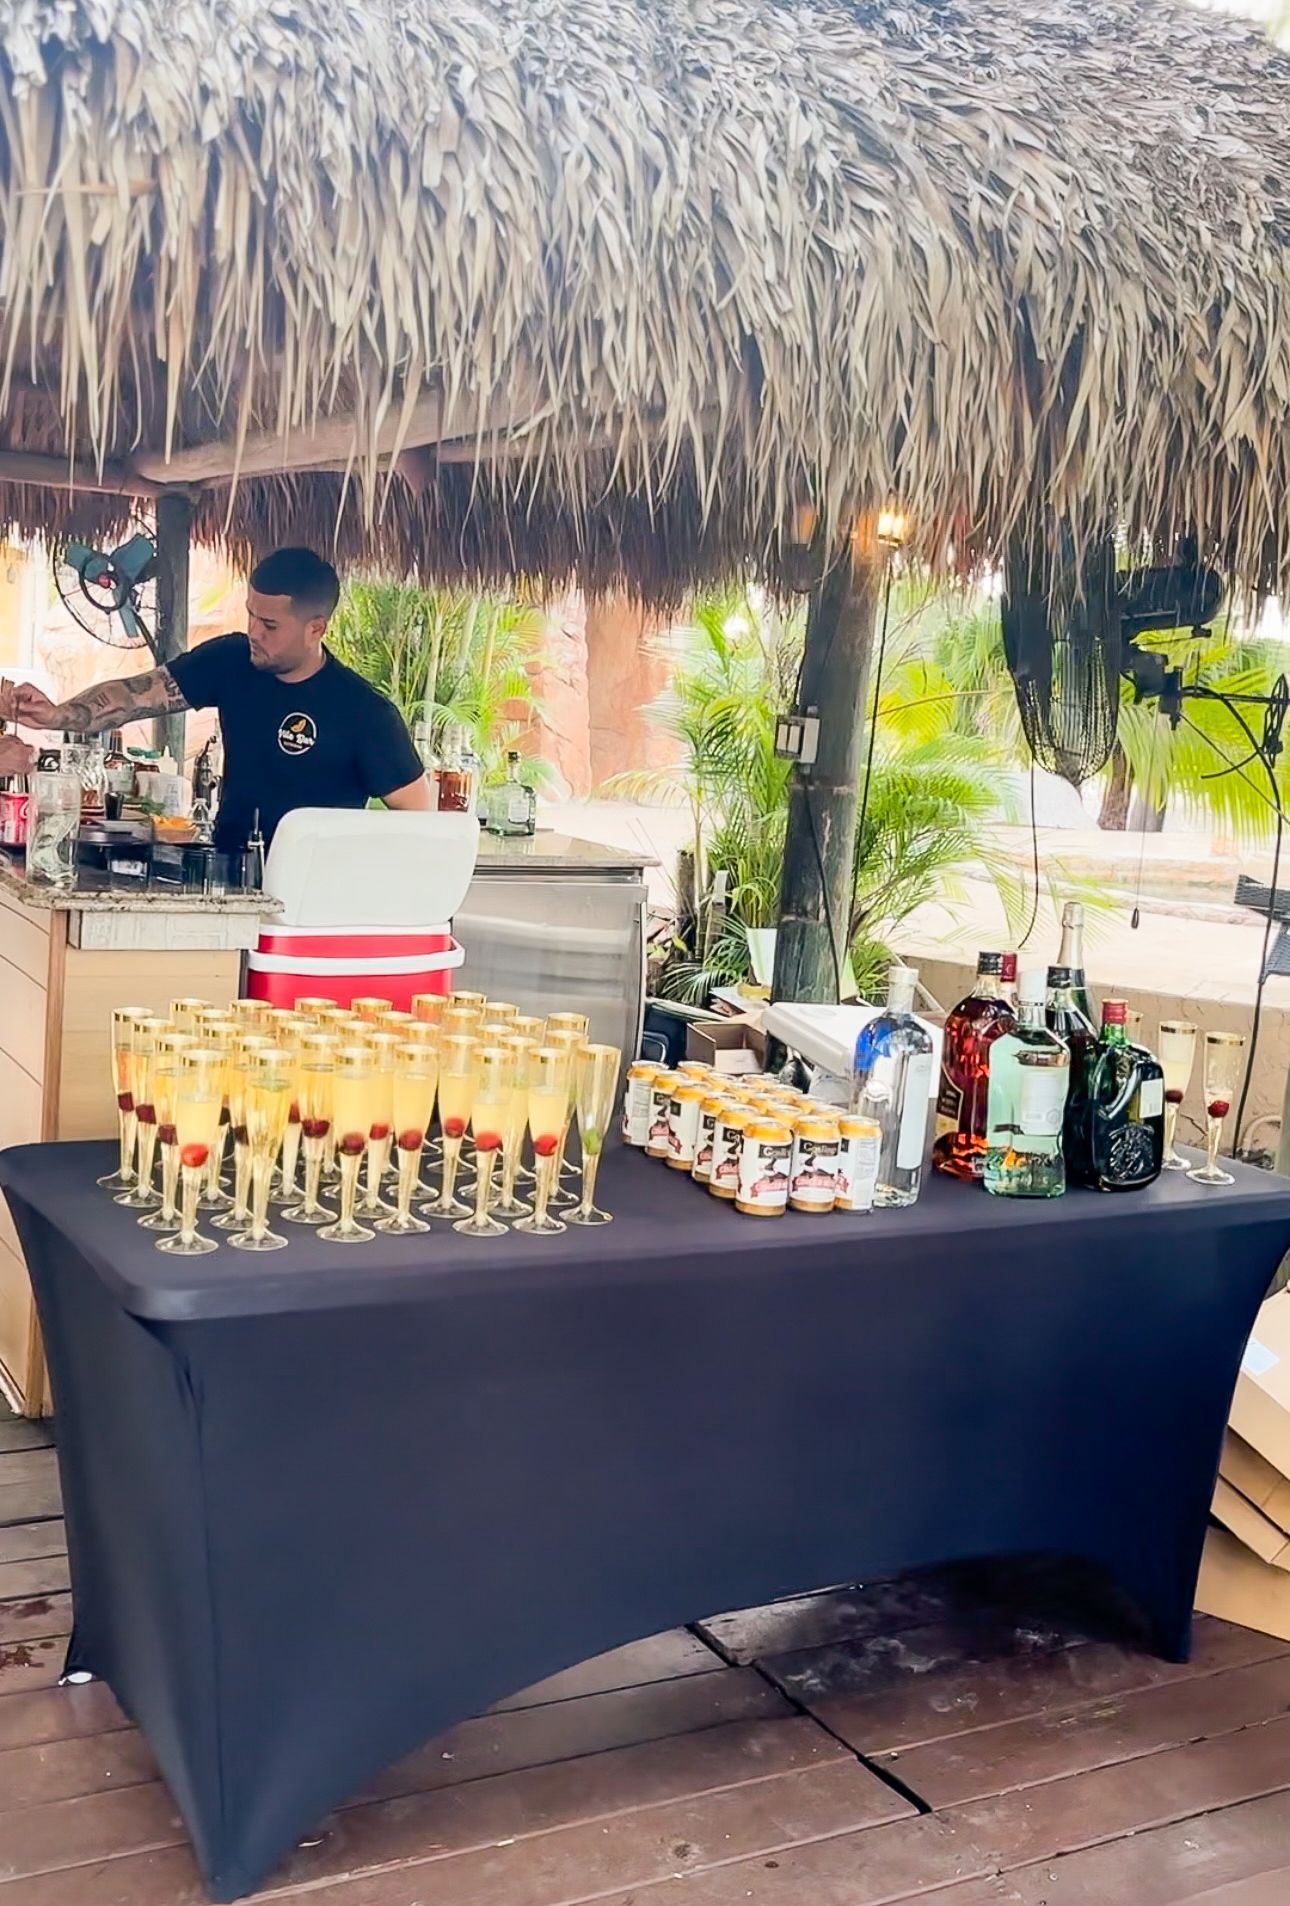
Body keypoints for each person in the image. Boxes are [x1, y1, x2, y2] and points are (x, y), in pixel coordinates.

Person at [2, 547, 431, 853]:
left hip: (312, 902)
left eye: (269, 625)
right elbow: (137, 694)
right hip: (227, 871)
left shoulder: (365, 713)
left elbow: (419, 821)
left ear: (315, 628)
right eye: (249, 615)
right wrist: (57, 714)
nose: (254, 633)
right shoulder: (231, 659)